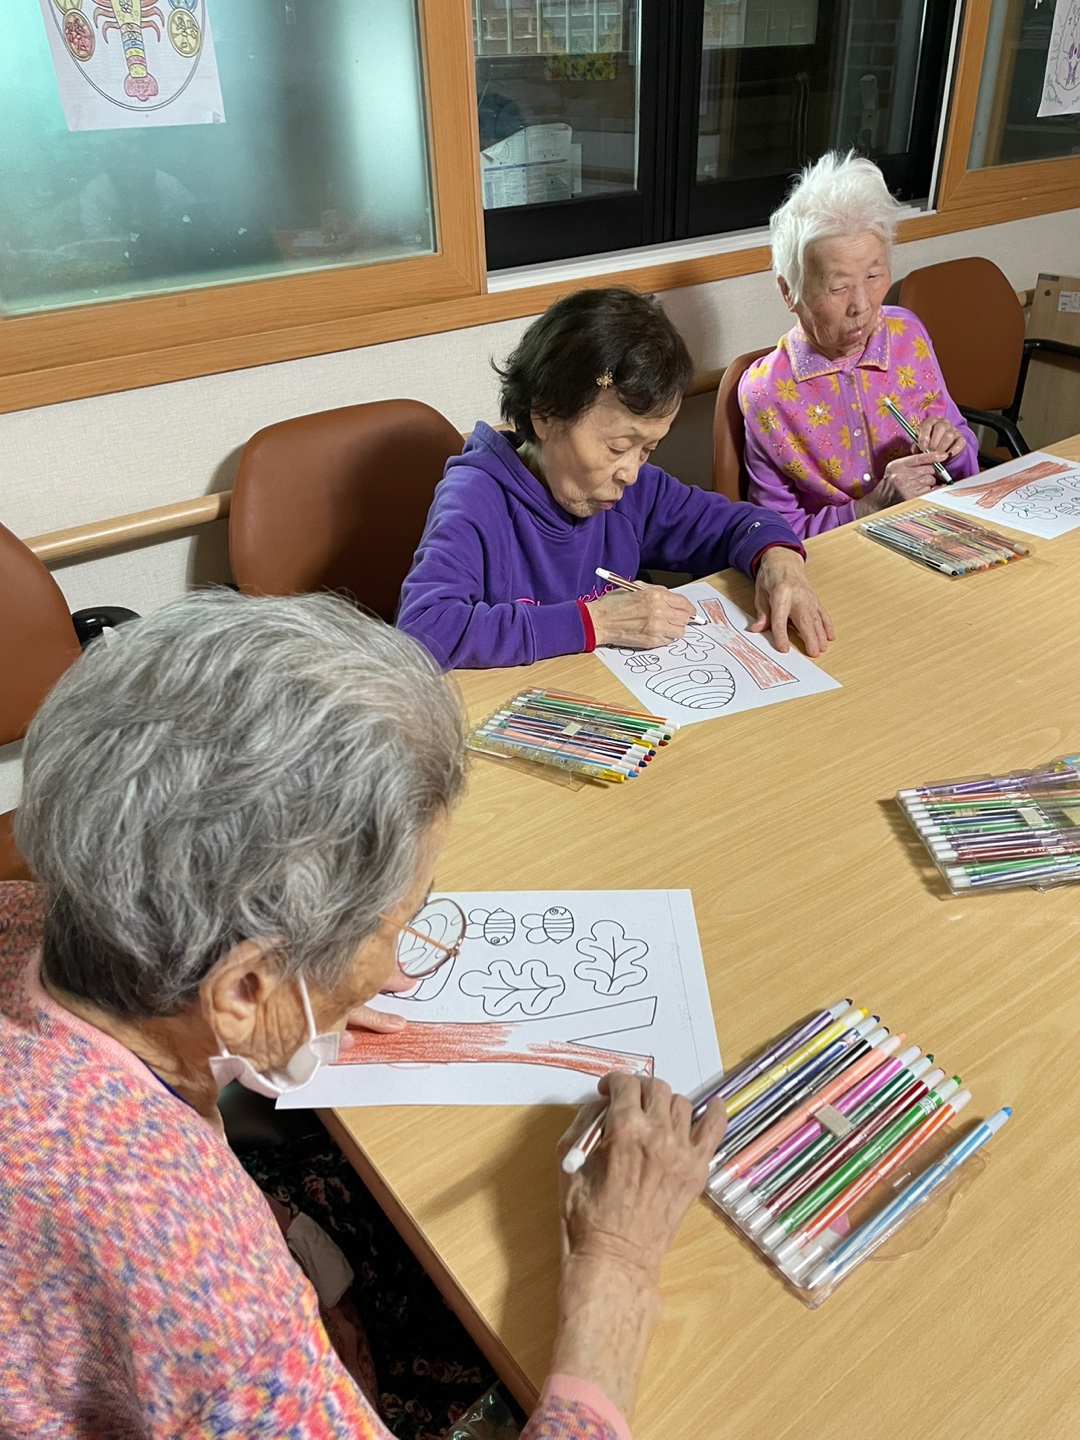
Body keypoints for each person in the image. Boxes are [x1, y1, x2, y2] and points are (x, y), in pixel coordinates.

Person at [0, 590, 727, 1439]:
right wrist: (619, 1266)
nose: (395, 970)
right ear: (245, 990)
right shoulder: (211, 1293)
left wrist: (286, 1010)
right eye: (398, 925)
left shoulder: (27, 913)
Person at [397, 288, 834, 670]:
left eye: (648, 449)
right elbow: (422, 631)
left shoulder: (634, 492)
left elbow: (740, 524)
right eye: (616, 447)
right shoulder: (477, 498)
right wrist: (596, 622)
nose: (630, 471)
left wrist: (779, 561)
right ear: (545, 415)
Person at [740, 152, 980, 538]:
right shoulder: (766, 392)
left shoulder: (908, 335)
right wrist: (869, 507)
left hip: (937, 533)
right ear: (788, 292)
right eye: (838, 288)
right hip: (843, 558)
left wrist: (953, 449)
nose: (863, 306)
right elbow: (775, 533)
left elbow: (964, 456)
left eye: (873, 276)